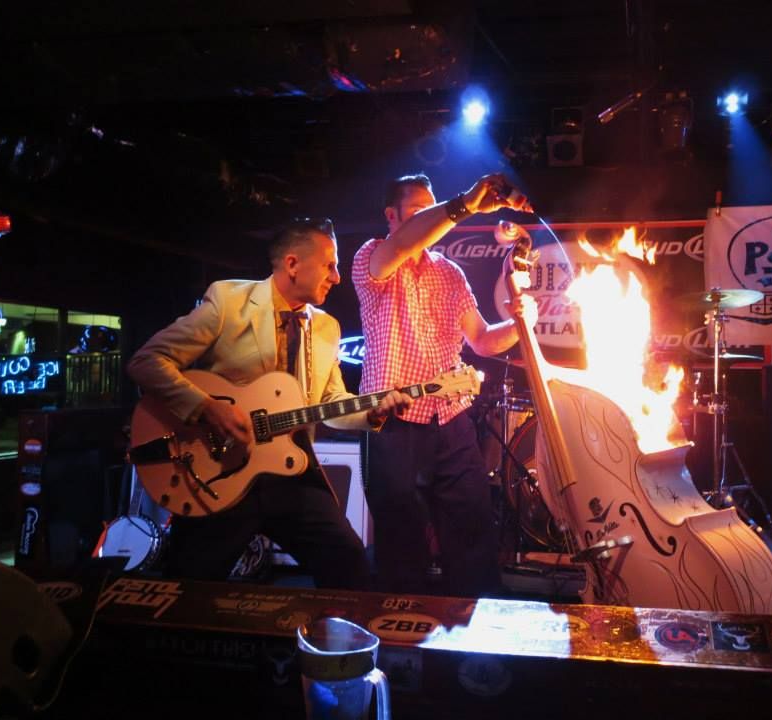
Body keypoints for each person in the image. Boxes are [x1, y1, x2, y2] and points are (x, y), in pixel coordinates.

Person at [127, 217, 412, 587]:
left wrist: (371, 413)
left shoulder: (327, 327)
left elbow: (330, 402)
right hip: (221, 473)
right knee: (188, 586)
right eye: (329, 265)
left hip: (292, 477)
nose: (337, 277)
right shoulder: (228, 301)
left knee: (350, 567)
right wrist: (206, 407)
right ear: (293, 264)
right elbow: (146, 362)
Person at [352, 173, 534, 597]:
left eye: (432, 209)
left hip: (450, 420)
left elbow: (483, 340)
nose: (430, 219)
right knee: (402, 545)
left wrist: (521, 321)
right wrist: (465, 203)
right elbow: (404, 244)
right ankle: (405, 629)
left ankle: (476, 627)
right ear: (391, 215)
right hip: (393, 423)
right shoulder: (373, 256)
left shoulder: (449, 272)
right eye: (419, 212)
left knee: (473, 536)